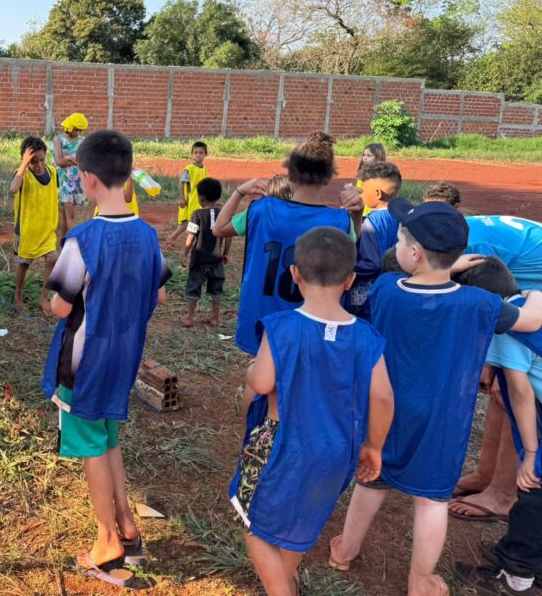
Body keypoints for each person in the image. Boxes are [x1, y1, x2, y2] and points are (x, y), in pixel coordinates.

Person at [330, 200, 542, 596]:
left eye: (400, 241)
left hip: (386, 410)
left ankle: (344, 551)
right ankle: (420, 580)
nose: (395, 246)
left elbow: (403, 278)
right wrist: (534, 293)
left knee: (371, 481)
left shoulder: (385, 289)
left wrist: (444, 268)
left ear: (415, 253)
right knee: (431, 502)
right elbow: (531, 319)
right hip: (443, 422)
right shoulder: (478, 303)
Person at [230, 227, 394, 596]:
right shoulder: (366, 337)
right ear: (350, 279)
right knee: (300, 521)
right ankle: (287, 577)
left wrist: (252, 369)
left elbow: (262, 382)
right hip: (336, 451)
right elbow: (383, 398)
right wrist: (374, 447)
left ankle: (280, 589)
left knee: (253, 523)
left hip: (280, 447)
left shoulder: (281, 327)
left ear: (295, 274)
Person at [40, 129, 170, 588]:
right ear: (126, 175)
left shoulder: (82, 238)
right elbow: (158, 294)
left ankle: (107, 541)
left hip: (84, 365)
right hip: (124, 359)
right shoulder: (148, 234)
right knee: (108, 440)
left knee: (91, 448)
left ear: (88, 179)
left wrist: (53, 300)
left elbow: (60, 307)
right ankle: (127, 526)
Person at [213, 132, 363, 359]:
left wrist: (239, 192)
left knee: (261, 373)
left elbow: (219, 228)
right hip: (309, 324)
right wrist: (357, 215)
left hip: (261, 318)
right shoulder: (339, 221)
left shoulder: (262, 209)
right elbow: (352, 243)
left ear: (290, 173)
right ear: (327, 178)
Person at [452, 259, 542, 594]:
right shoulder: (527, 302)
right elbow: (535, 293)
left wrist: (531, 452)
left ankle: (517, 575)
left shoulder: (506, 330)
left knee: (533, 487)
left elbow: (520, 393)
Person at [451, 210, 542, 521]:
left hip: (524, 324)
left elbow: (519, 392)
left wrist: (497, 366)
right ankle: (487, 475)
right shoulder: (464, 235)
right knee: (503, 388)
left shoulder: (474, 253)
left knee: (510, 395)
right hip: (528, 300)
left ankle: (503, 494)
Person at [11, 136, 59, 317]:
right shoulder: (22, 174)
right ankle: (18, 295)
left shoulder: (52, 172)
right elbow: (13, 189)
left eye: (41, 160)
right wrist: (24, 166)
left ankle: (44, 297)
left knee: (52, 259)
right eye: (33, 161)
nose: (38, 165)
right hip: (27, 230)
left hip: (46, 228)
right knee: (24, 264)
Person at [348, 161, 402, 318]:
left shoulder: (372, 221)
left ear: (378, 193)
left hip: (369, 295)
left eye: (363, 191)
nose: (361, 195)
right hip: (395, 289)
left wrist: (345, 270)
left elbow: (371, 263)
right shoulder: (403, 214)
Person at [180, 178, 231, 328]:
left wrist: (185, 253)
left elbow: (191, 236)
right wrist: (225, 253)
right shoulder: (222, 213)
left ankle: (189, 318)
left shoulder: (197, 214)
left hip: (199, 260)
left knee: (193, 287)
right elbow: (228, 237)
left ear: (201, 198)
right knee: (216, 289)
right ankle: (215, 317)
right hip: (216, 260)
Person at [166, 141, 209, 245]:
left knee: (192, 222)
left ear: (205, 154)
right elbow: (181, 183)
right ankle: (173, 239)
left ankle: (175, 239)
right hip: (190, 201)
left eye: (201, 153)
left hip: (199, 201)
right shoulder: (189, 168)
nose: (198, 155)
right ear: (192, 154)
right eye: (195, 152)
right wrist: (182, 198)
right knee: (188, 222)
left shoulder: (204, 169)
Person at [53, 113, 88, 239]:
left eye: (81, 130)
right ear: (70, 127)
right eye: (77, 129)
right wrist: (74, 161)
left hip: (77, 182)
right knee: (70, 215)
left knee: (65, 216)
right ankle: (73, 242)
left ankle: (62, 244)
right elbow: (59, 161)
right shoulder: (58, 140)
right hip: (64, 183)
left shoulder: (82, 141)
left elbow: (83, 162)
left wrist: (69, 158)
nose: (79, 132)